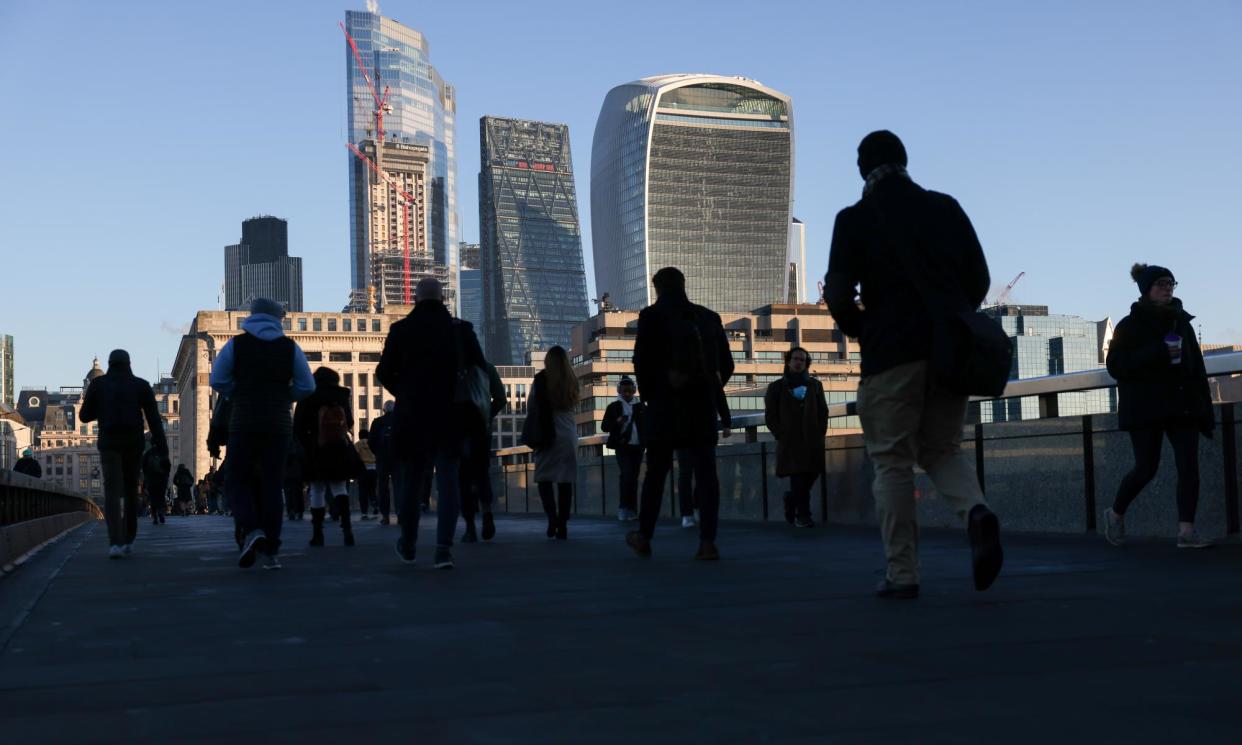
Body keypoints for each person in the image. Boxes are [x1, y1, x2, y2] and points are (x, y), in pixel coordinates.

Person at [824, 130, 1002, 599]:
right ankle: (977, 514)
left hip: (890, 354)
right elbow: (979, 278)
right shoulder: (945, 207)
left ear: (862, 169)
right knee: (942, 448)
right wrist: (948, 315)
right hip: (949, 349)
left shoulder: (854, 219)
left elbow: (839, 295)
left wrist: (864, 328)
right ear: (905, 161)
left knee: (892, 462)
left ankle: (903, 573)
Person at [1102, 264, 1215, 549]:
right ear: (1146, 290)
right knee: (1146, 468)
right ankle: (1115, 513)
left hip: (1182, 405)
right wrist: (1156, 351)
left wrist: (1205, 409)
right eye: (1161, 284)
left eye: (1171, 283)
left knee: (1189, 467)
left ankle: (1186, 532)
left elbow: (1197, 370)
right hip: (1145, 409)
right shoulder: (1129, 326)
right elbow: (1115, 365)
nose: (1167, 288)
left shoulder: (1182, 324)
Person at [626, 267, 735, 560]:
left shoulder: (651, 316)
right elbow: (727, 365)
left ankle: (644, 536)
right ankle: (707, 542)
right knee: (706, 474)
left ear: (657, 288)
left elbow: (641, 363)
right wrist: (708, 390)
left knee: (656, 474)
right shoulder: (709, 318)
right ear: (684, 285)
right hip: (701, 408)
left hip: (664, 408)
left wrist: (652, 397)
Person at [377, 277, 485, 569]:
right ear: (443, 298)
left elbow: (383, 372)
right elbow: (480, 367)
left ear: (416, 299)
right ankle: (443, 549)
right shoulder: (461, 330)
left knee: (412, 481)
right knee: (448, 480)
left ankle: (409, 544)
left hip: (412, 417)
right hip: (451, 415)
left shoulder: (401, 330)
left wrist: (406, 393)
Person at [210, 297, 316, 570]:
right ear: (277, 319)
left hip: (244, 422)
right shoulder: (289, 347)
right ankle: (271, 552)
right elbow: (307, 386)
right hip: (279, 425)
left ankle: (252, 528)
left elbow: (218, 380)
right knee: (272, 485)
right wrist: (284, 396)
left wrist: (239, 393)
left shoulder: (236, 344)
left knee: (237, 479)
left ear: (252, 317)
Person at [79, 349, 169, 558]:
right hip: (133, 443)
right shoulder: (140, 385)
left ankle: (115, 542)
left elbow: (83, 416)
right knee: (130, 489)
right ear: (129, 363)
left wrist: (101, 408)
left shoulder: (98, 385)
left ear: (110, 364)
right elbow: (154, 420)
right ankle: (129, 537)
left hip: (109, 442)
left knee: (111, 490)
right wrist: (162, 449)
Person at [764, 347, 830, 529]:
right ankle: (803, 515)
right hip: (790, 441)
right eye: (795, 359)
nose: (799, 362)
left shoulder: (815, 386)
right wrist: (780, 434)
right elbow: (770, 415)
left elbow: (823, 411)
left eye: (802, 360)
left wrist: (820, 432)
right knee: (798, 476)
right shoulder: (776, 387)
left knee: (811, 473)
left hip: (811, 440)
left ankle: (791, 499)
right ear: (788, 361)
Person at [293, 366, 358, 548]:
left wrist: (306, 444)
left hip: (316, 448)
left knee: (317, 490)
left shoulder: (309, 394)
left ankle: (318, 534)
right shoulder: (342, 395)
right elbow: (350, 421)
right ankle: (347, 529)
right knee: (339, 488)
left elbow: (298, 425)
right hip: (338, 447)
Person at [524, 346, 579, 541]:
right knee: (565, 481)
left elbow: (531, 406)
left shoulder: (541, 379)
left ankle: (552, 518)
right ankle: (563, 523)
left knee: (544, 478)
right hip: (568, 433)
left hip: (547, 432)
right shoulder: (571, 379)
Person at [460, 361, 506, 543]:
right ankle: (487, 512)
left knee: (463, 478)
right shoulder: (488, 367)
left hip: (459, 430)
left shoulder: (453, 365)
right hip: (481, 430)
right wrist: (486, 417)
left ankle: (470, 527)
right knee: (482, 473)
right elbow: (501, 398)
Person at [601, 377, 645, 522]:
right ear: (620, 391)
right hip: (622, 446)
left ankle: (631, 510)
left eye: (629, 391)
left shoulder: (640, 406)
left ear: (633, 390)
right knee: (627, 476)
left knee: (632, 478)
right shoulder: (614, 407)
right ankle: (624, 508)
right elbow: (605, 427)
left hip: (638, 446)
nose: (627, 394)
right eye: (624, 391)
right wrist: (617, 422)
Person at [368, 400, 395, 524]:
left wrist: (378, 453)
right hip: (398, 459)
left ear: (383, 410)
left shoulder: (377, 422)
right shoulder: (400, 420)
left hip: (382, 459)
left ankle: (385, 515)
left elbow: (371, 442)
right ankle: (401, 512)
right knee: (400, 485)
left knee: (383, 487)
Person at [140, 439, 171, 525]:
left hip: (151, 479)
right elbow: (168, 465)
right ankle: (161, 512)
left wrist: (146, 477)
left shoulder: (148, 453)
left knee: (153, 498)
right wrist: (166, 475)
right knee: (161, 496)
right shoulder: (163, 452)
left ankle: (155, 517)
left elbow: (143, 466)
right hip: (161, 479)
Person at [356, 428, 377, 521]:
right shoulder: (372, 443)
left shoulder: (358, 444)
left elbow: (355, 456)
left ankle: (364, 512)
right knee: (372, 489)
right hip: (373, 468)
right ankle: (374, 502)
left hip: (362, 469)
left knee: (363, 491)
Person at [284, 443, 305, 521]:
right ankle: (299, 510)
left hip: (288, 471)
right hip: (297, 471)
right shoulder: (298, 444)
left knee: (289, 491)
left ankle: (291, 510)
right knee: (298, 491)